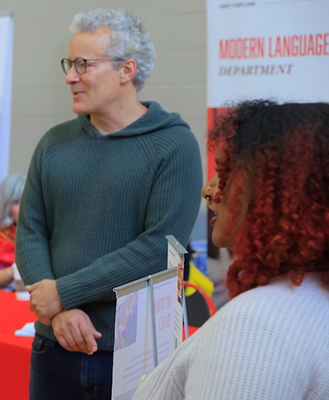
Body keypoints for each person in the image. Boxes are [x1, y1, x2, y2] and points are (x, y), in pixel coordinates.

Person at [15, 9, 202, 400]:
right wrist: (58, 311)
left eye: (83, 64)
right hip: (53, 344)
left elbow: (158, 251)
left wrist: (63, 293)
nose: (70, 76)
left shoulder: (174, 145)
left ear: (126, 70)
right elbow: (31, 230)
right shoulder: (54, 143)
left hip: (133, 356)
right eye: (69, 64)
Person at [134, 100, 329, 400]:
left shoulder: (256, 326)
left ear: (271, 191)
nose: (209, 190)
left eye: (226, 172)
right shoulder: (312, 297)